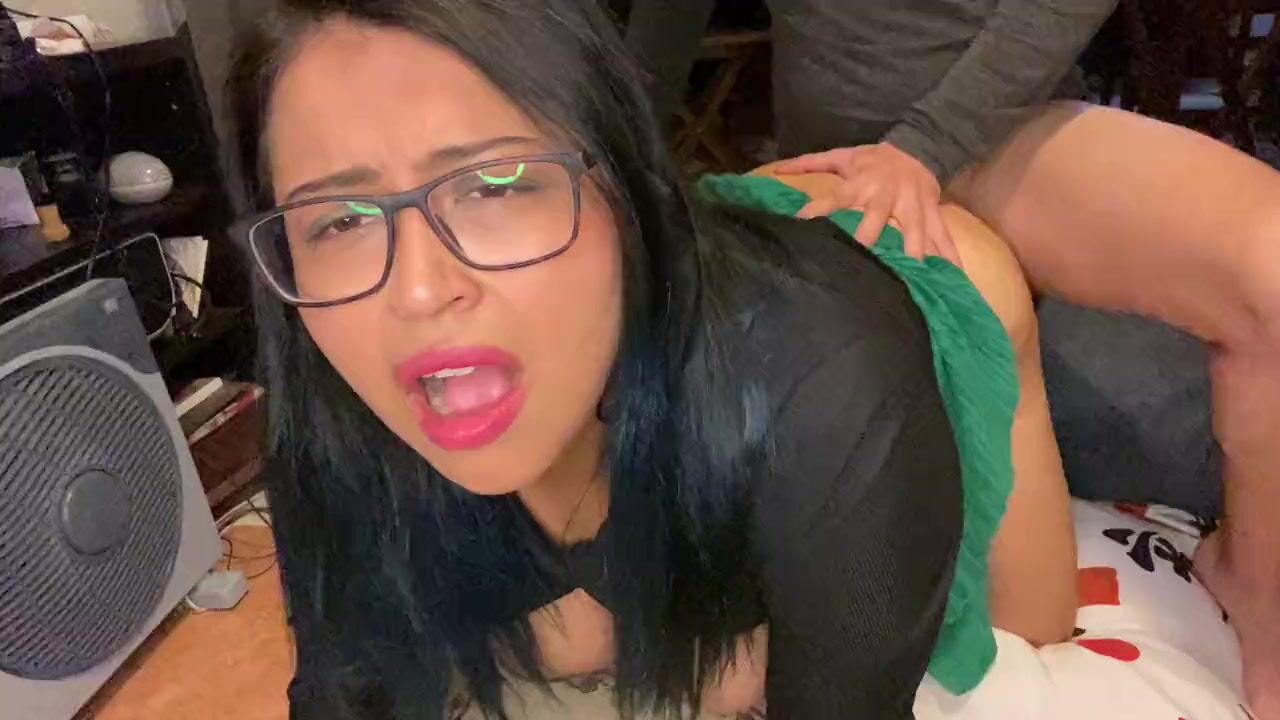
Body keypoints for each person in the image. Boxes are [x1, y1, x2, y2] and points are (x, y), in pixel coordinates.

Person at [229, 0, 1076, 716]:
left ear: (626, 187)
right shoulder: (329, 386)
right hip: (677, 303)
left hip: (905, 273)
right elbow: (343, 689)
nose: (416, 291)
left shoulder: (829, 383)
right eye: (340, 221)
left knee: (1020, 639)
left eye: (496, 184)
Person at [628, 2, 1280, 715]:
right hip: (843, 155)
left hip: (1005, 126)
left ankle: (1251, 579)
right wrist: (625, 168)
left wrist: (928, 145)